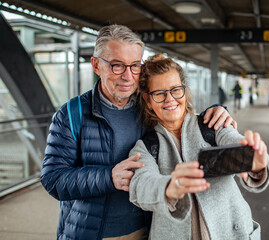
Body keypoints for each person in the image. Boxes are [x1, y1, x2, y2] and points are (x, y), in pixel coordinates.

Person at [40, 24, 236, 240]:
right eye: (117, 65)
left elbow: (180, 115)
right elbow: (53, 178)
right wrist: (108, 177)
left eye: (135, 65)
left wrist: (217, 113)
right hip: (90, 233)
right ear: (96, 65)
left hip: (146, 231)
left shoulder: (149, 105)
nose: (128, 76)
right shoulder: (71, 114)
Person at [129, 54, 269, 239]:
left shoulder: (212, 125)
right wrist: (168, 188)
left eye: (175, 90)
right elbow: (141, 185)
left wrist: (255, 160)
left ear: (185, 91)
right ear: (148, 101)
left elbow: (235, 141)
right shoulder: (145, 147)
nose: (170, 99)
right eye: (159, 94)